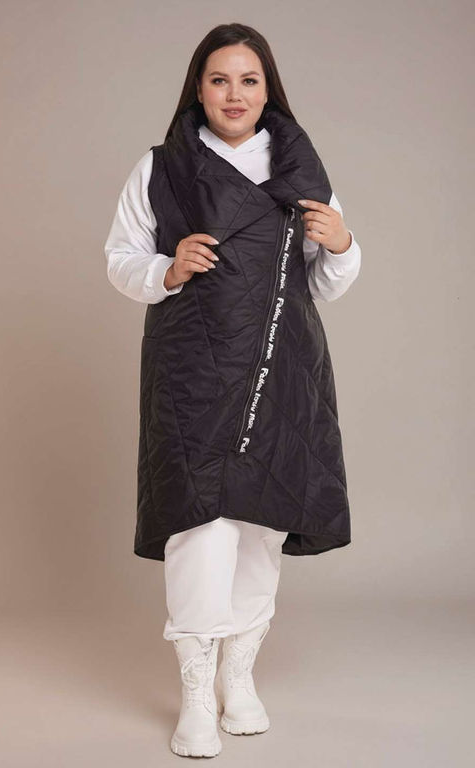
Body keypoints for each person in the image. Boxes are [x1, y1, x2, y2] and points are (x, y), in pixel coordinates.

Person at [104, 23, 361, 758]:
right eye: (220, 79)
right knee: (199, 528)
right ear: (199, 87)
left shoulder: (300, 166)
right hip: (193, 372)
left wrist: (342, 243)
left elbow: (324, 283)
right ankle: (194, 695)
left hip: (281, 366)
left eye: (249, 80)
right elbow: (120, 259)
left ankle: (238, 681)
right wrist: (168, 267)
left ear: (267, 89)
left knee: (260, 526)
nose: (235, 94)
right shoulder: (162, 168)